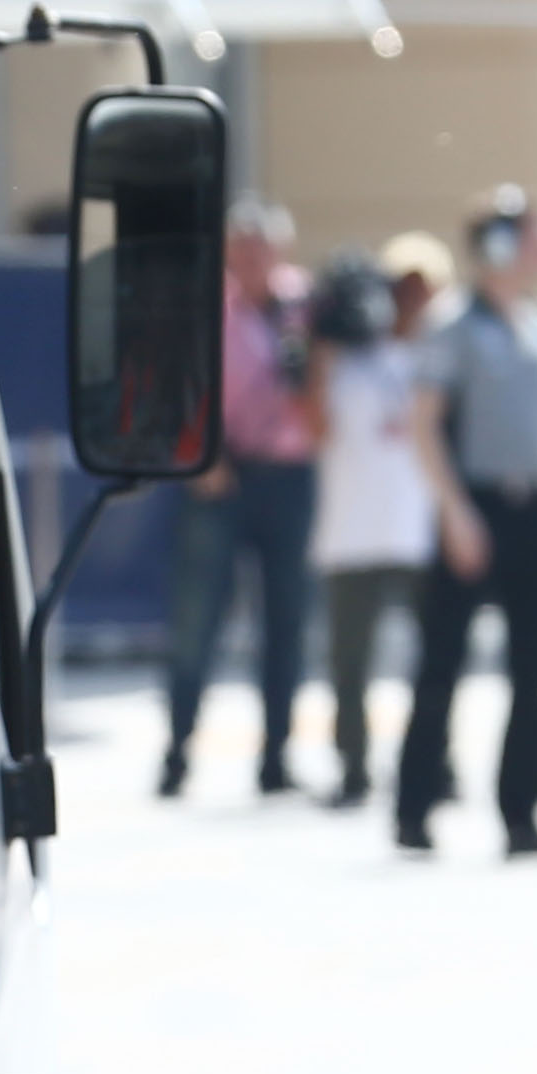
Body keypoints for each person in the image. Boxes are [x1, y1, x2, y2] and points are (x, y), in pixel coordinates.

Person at [397, 186, 537, 857]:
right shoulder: (452, 323)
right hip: (475, 504)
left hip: (534, 507)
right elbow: (424, 425)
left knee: (534, 666)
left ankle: (521, 813)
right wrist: (455, 512)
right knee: (441, 663)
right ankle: (415, 807)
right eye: (528, 234)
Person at [158, 198, 324, 799]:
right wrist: (200, 456)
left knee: (286, 619)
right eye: (242, 249)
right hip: (219, 475)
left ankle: (277, 756)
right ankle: (176, 750)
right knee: (196, 619)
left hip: (287, 474)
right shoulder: (205, 307)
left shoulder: (303, 306)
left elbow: (328, 375)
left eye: (264, 250)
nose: (253, 261)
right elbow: (175, 385)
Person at [308, 234, 445, 811]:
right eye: (401, 289)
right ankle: (354, 767)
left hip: (416, 532)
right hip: (351, 533)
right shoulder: (346, 362)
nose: (411, 302)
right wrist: (319, 350)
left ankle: (435, 762)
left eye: (423, 290)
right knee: (350, 665)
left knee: (437, 658)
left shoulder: (435, 362)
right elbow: (314, 428)